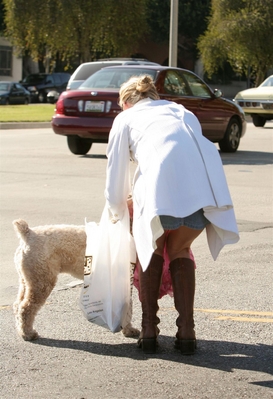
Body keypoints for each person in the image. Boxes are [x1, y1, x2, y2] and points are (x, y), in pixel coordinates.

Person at [104, 75, 239, 355]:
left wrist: (115, 209)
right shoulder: (181, 111)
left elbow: (115, 172)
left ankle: (149, 329)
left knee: (150, 251)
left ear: (126, 102)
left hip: (158, 193)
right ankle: (187, 331)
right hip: (201, 192)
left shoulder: (126, 119)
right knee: (180, 250)